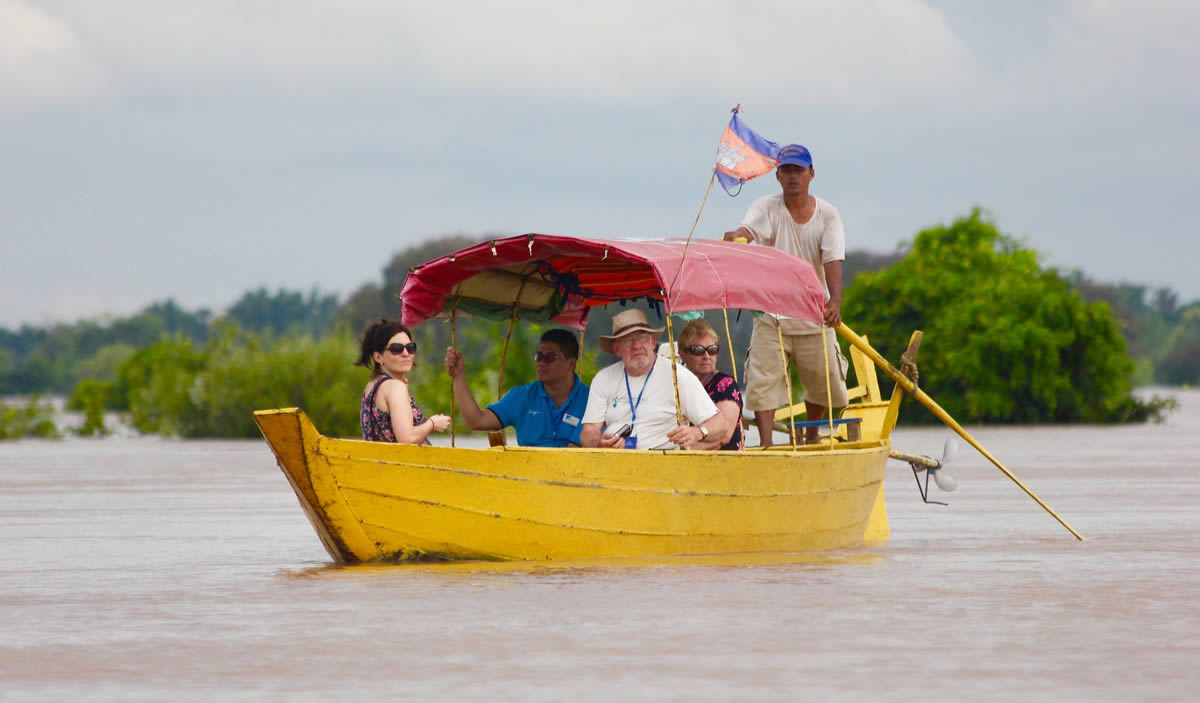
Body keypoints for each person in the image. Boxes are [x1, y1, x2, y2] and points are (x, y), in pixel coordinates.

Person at [724, 143, 849, 446]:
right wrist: (738, 236)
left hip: (813, 312)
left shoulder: (828, 215)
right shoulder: (766, 207)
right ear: (778, 175)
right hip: (771, 313)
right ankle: (766, 444)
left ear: (811, 174)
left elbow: (832, 259)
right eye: (787, 170)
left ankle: (812, 438)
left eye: (799, 170)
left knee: (823, 379)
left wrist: (834, 301)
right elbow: (749, 231)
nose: (793, 176)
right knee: (763, 382)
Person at [580, 309, 728, 450]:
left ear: (652, 341)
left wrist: (697, 432)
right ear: (616, 349)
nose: (636, 346)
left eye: (642, 338)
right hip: (614, 462)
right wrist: (600, 445)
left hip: (663, 463)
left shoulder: (678, 375)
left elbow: (720, 424)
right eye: (628, 340)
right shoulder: (603, 378)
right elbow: (589, 431)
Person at [443, 329, 590, 447]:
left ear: (571, 364)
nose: (541, 362)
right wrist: (458, 376)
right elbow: (477, 421)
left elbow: (576, 452)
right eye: (539, 356)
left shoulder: (592, 400)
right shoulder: (522, 397)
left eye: (550, 357)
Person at [356, 318, 451, 444]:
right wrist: (433, 423)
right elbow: (407, 438)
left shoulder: (372, 386)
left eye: (410, 348)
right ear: (378, 357)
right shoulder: (395, 387)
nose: (406, 353)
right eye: (396, 349)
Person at [676, 318, 743, 450]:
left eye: (712, 349)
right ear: (683, 355)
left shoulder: (726, 385)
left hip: (724, 458)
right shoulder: (679, 385)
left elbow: (724, 436)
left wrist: (677, 453)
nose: (706, 356)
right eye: (698, 350)